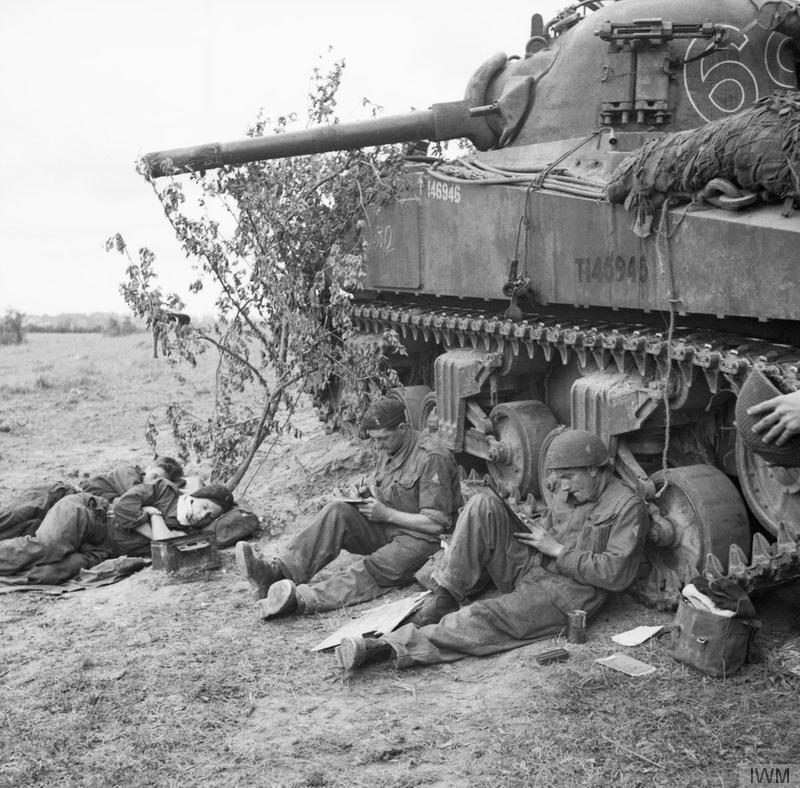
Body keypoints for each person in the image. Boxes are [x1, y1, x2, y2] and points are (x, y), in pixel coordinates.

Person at [333, 429, 649, 671]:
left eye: (569, 477)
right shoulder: (575, 490)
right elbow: (552, 529)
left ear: (595, 469)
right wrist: (528, 528)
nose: (562, 487)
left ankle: (391, 648)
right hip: (534, 564)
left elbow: (616, 573)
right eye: (558, 478)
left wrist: (558, 551)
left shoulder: (626, 506)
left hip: (565, 593)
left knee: (483, 615)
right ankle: (445, 594)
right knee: (483, 504)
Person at [235, 396, 463, 618]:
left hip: (425, 542)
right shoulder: (390, 448)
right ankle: (277, 573)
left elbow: (437, 524)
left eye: (382, 439)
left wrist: (387, 514)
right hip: (391, 526)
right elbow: (392, 491)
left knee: (374, 568)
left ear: (403, 428)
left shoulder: (432, 457)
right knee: (338, 511)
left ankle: (299, 600)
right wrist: (369, 496)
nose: (377, 445)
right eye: (374, 439)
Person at [0, 481, 234, 584]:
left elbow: (166, 552)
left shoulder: (188, 532)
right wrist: (155, 525)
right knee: (47, 548)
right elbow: (123, 508)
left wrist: (155, 517)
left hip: (99, 549)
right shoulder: (165, 491)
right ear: (194, 497)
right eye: (204, 507)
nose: (203, 516)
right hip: (88, 514)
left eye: (209, 516)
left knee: (48, 572)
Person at [0, 456, 185, 542]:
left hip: (69, 512)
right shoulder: (129, 473)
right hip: (58, 493)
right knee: (11, 516)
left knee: (23, 530)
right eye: (154, 476)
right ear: (149, 467)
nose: (152, 482)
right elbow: (129, 500)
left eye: (159, 482)